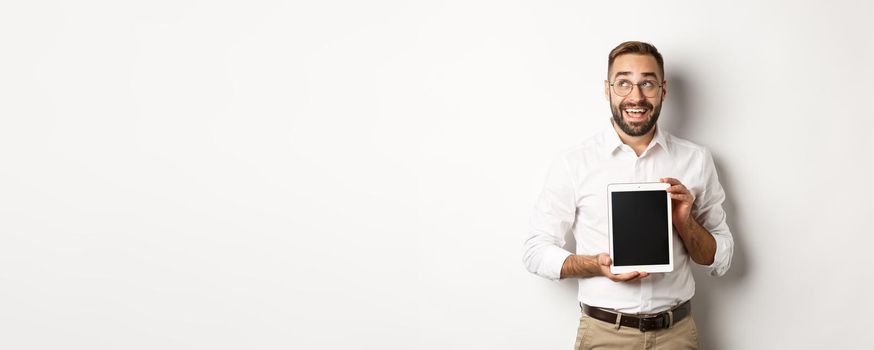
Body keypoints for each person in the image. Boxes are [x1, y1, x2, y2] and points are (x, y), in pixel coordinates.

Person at [522, 41, 734, 350]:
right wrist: (595, 264)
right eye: (624, 83)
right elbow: (535, 250)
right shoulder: (574, 162)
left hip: (676, 334)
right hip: (604, 334)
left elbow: (720, 260)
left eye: (647, 83)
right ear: (608, 90)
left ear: (663, 90)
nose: (636, 96)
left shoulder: (696, 160)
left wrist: (685, 223)